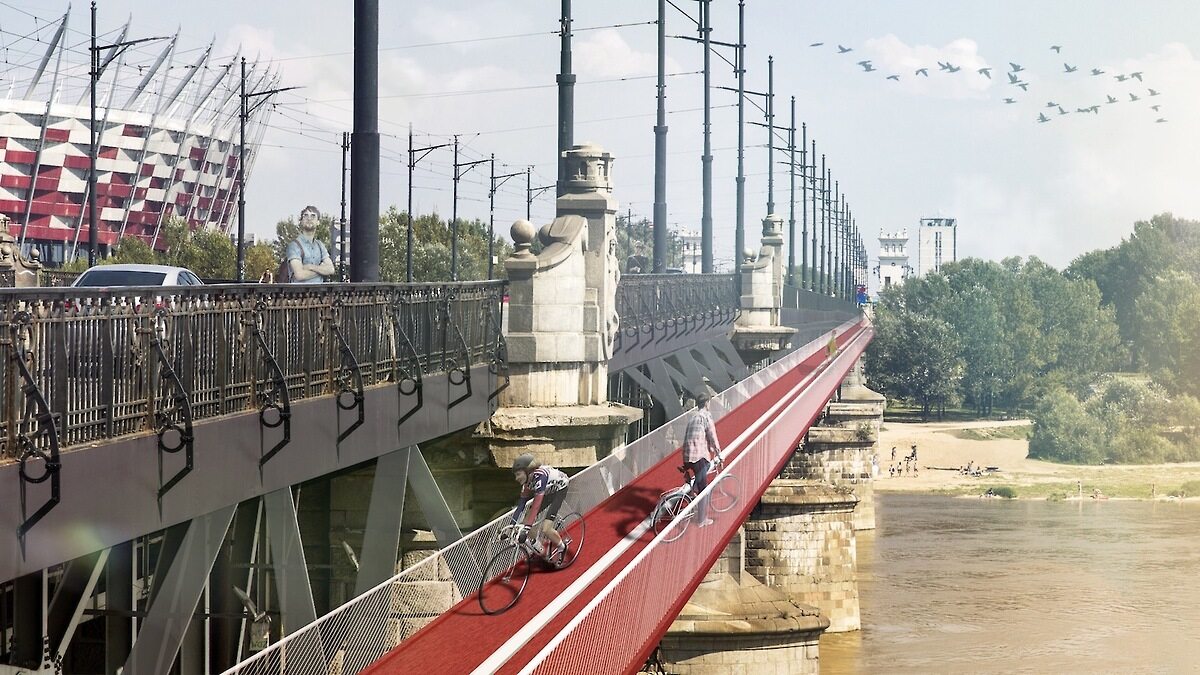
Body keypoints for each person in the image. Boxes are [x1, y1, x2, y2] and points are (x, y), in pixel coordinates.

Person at [509, 453, 570, 563]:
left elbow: (536, 505)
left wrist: (527, 527)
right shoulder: (526, 484)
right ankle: (538, 549)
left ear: (527, 471)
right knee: (525, 522)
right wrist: (511, 526)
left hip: (559, 489)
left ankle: (562, 547)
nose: (516, 478)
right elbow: (521, 506)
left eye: (518, 474)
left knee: (546, 529)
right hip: (548, 490)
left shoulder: (540, 476)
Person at [683, 392, 723, 527]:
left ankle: (692, 492)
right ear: (707, 403)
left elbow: (697, 437)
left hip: (688, 456)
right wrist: (719, 453)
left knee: (700, 477)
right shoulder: (706, 416)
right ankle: (701, 520)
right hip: (699, 455)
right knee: (704, 489)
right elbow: (712, 435)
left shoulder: (693, 417)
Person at [284, 206, 336, 283]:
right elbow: (299, 275)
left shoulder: (320, 245)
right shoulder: (294, 245)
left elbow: (331, 269)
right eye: (305, 215)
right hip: (299, 293)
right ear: (301, 221)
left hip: (319, 293)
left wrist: (310, 267)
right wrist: (321, 270)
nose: (309, 218)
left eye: (313, 216)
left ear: (318, 222)